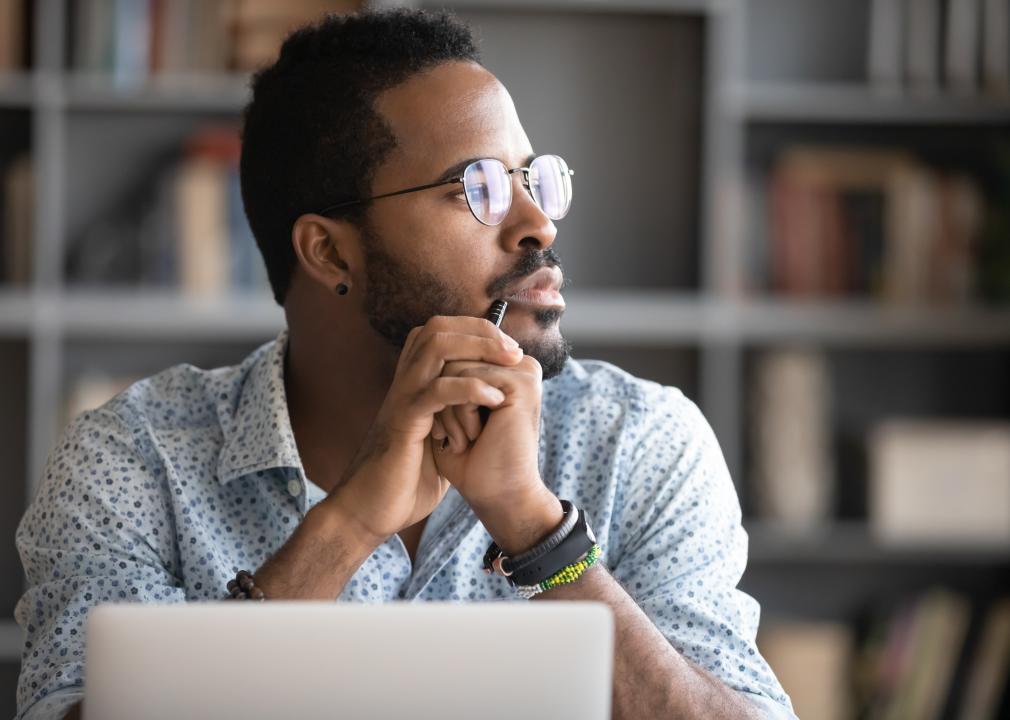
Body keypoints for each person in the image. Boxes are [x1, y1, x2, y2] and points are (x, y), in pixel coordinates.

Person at [14, 8, 797, 720]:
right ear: (329, 250)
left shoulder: (640, 439)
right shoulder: (133, 461)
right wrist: (348, 525)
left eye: (533, 179)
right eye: (478, 187)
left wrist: (537, 532)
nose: (535, 223)